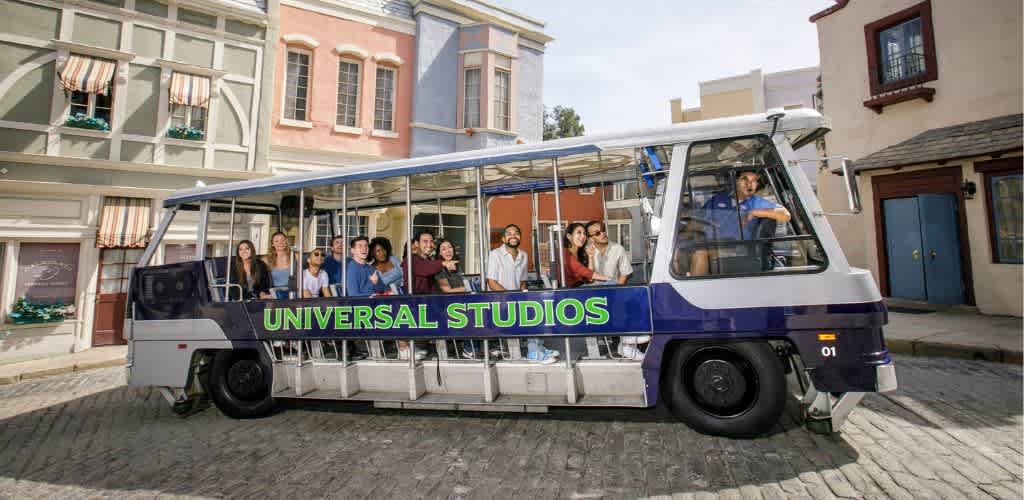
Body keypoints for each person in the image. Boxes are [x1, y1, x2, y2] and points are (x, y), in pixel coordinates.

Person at [689, 170, 791, 276]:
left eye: (754, 181)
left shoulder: (756, 202)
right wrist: (683, 233)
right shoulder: (719, 199)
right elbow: (698, 221)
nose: (749, 184)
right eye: (745, 179)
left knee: (700, 252)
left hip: (737, 247)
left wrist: (754, 212)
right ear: (736, 181)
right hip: (714, 243)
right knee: (679, 249)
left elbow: (786, 215)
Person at [486, 224, 556, 364]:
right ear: (503, 238)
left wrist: (522, 297)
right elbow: (491, 282)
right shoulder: (495, 254)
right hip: (500, 301)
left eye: (516, 233)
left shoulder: (523, 255)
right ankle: (533, 353)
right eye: (509, 233)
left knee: (540, 307)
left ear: (520, 237)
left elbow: (523, 281)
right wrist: (512, 297)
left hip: (516, 299)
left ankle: (538, 347)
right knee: (530, 313)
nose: (513, 236)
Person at [434, 238, 476, 358]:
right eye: (443, 249)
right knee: (474, 313)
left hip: (460, 301)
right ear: (439, 253)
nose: (448, 251)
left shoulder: (457, 265)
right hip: (447, 306)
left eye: (450, 247)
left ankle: (476, 346)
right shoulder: (439, 269)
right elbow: (446, 290)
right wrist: (468, 288)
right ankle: (468, 348)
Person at [401, 230, 456, 295]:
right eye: (425, 241)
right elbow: (424, 268)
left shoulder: (429, 260)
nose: (429, 245)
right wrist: (443, 263)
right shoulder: (410, 259)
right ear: (416, 243)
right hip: (415, 302)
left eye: (431, 241)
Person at [562, 222, 612, 288]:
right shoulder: (564, 253)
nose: (583, 236)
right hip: (570, 291)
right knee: (611, 283)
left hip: (581, 288)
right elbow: (586, 273)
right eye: (579, 232)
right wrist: (610, 279)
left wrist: (590, 257)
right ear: (569, 236)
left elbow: (589, 278)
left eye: (584, 233)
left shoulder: (579, 253)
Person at [584, 220, 632, 285]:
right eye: (597, 233)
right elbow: (587, 276)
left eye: (603, 230)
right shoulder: (586, 251)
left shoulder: (618, 249)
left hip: (612, 290)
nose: (603, 233)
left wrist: (617, 290)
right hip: (592, 291)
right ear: (591, 239)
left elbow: (625, 273)